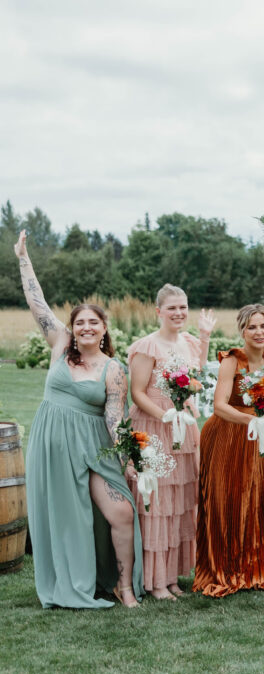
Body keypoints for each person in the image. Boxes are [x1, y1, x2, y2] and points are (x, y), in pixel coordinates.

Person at [15, 230, 143, 608]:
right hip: (53, 446)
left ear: (104, 329)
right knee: (67, 518)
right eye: (80, 322)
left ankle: (124, 587)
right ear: (72, 327)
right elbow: (37, 303)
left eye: (94, 322)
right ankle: (70, 580)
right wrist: (23, 258)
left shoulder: (113, 369)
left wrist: (128, 460)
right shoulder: (59, 344)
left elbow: (116, 419)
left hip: (93, 449)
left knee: (121, 512)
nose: (86, 327)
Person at [193, 304, 264, 598]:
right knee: (228, 500)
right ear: (242, 331)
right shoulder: (232, 360)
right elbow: (219, 406)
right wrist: (251, 420)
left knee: (255, 499)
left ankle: (252, 567)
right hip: (227, 435)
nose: (258, 332)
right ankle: (225, 568)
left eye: (263, 326)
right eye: (251, 327)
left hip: (257, 438)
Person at [127, 284, 215, 600]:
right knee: (157, 502)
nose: (179, 313)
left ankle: (172, 576)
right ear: (159, 312)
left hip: (183, 428)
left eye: (183, 307)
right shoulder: (147, 346)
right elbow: (137, 392)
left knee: (179, 502)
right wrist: (165, 415)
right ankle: (154, 581)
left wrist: (204, 337)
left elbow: (194, 376)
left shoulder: (189, 341)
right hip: (154, 425)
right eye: (172, 308)